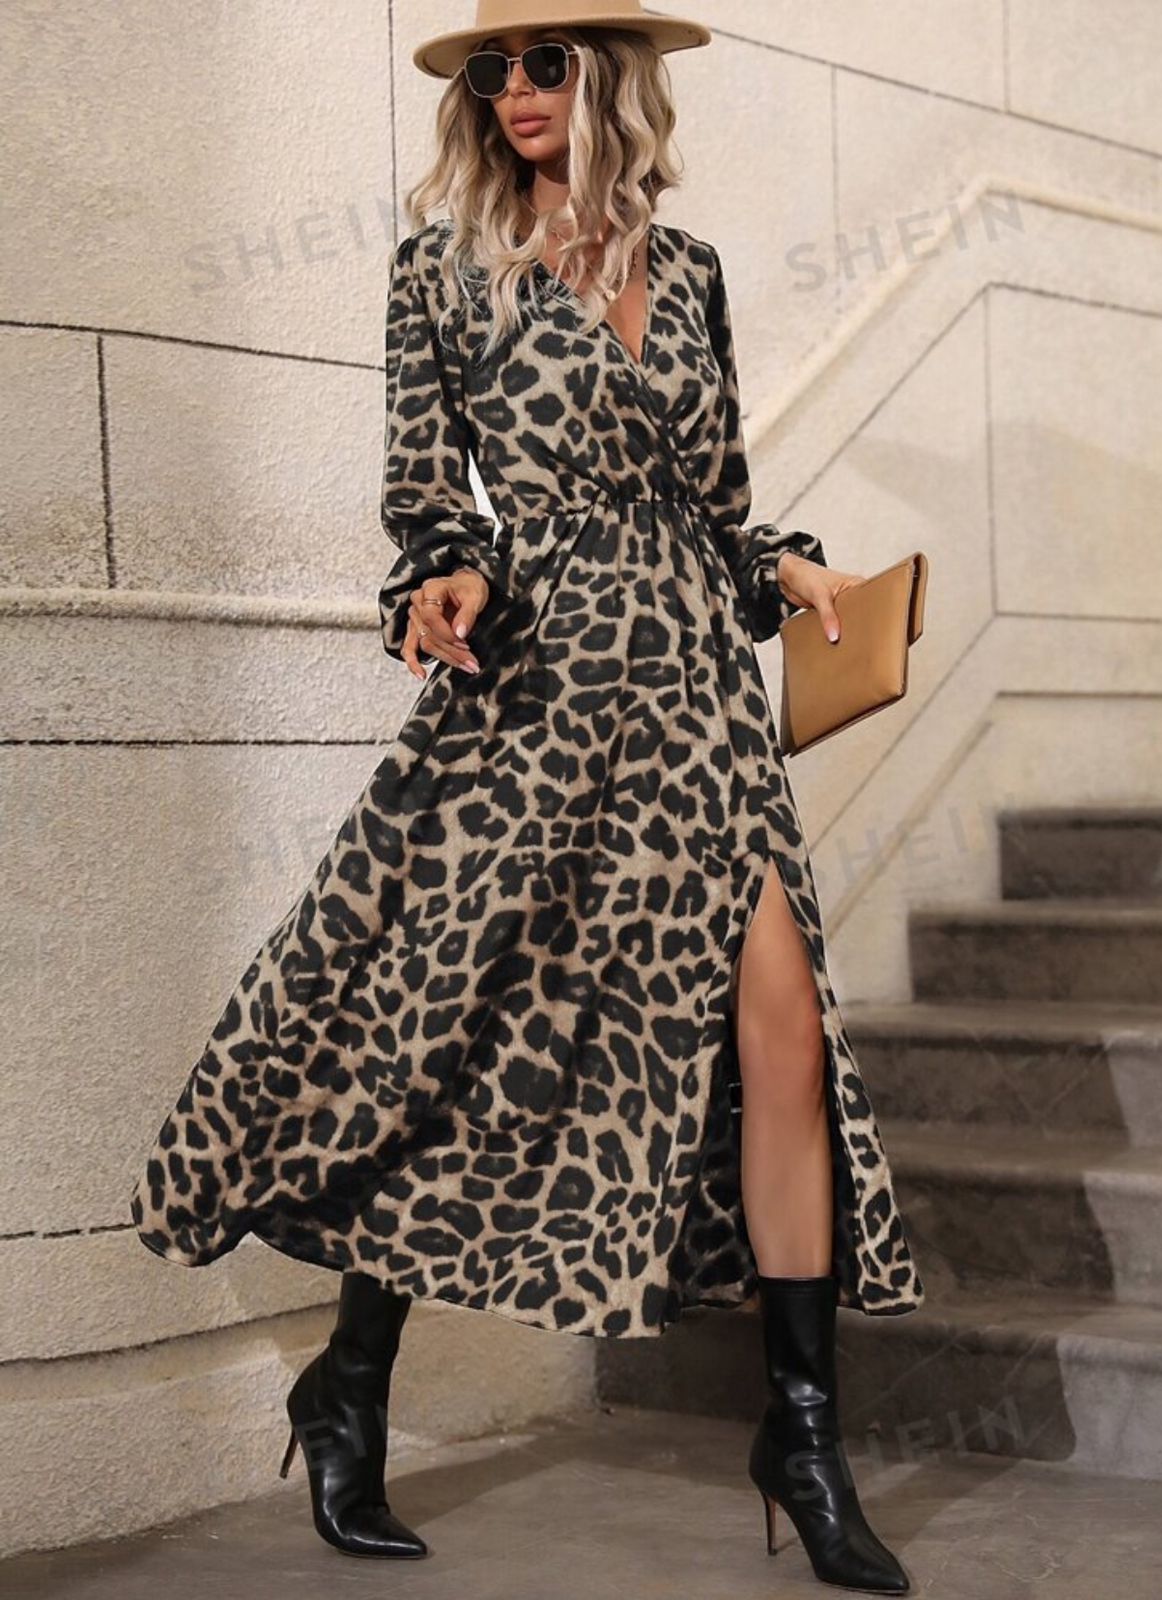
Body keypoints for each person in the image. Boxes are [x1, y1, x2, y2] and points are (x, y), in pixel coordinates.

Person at [129, 3, 922, 1590]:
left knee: (781, 1035)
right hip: (545, 698)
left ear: (609, 77)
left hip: (697, 705)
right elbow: (429, 497)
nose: (512, 92)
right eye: (491, 70)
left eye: (543, 63)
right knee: (452, 1030)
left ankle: (803, 1438)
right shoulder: (443, 270)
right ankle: (349, 1386)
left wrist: (792, 572)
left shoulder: (688, 274)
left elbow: (716, 511)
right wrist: (447, 579)